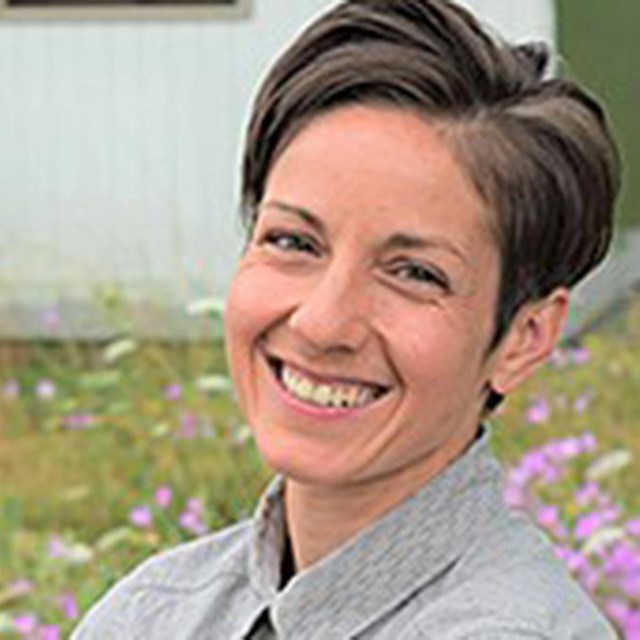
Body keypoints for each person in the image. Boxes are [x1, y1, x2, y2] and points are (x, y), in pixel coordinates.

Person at [72, 0, 621, 638]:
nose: (322, 324)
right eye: (293, 242)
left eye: (415, 273)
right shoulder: (153, 612)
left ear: (524, 338)